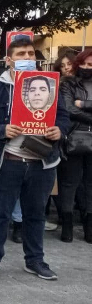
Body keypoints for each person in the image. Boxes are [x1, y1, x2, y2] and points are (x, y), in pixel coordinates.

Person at [0, 37, 70, 280]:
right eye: (21, 54)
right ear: (9, 60)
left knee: (35, 214)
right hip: (6, 161)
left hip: (41, 163)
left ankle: (35, 260)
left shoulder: (49, 85)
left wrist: (60, 131)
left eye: (30, 54)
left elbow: (63, 116)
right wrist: (1, 129)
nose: (27, 58)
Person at [57, 49, 92, 243]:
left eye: (90, 64)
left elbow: (77, 107)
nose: (86, 68)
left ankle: (89, 226)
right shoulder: (68, 83)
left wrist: (84, 104)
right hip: (74, 136)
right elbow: (69, 108)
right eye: (84, 64)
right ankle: (67, 224)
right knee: (70, 182)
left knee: (90, 183)